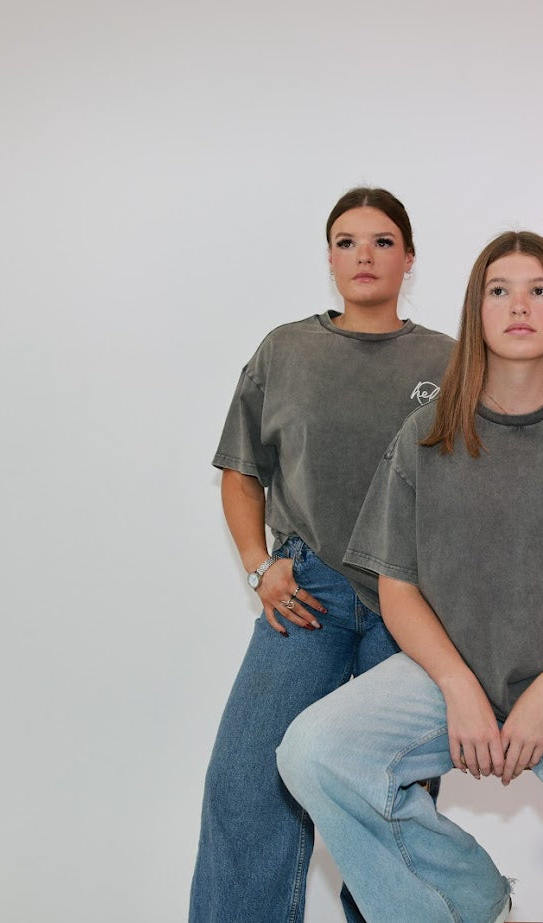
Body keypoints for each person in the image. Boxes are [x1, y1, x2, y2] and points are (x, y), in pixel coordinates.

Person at [277, 231, 543, 923]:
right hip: (448, 673)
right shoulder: (424, 435)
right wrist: (458, 684)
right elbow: (398, 587)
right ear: (477, 310)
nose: (518, 305)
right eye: (500, 290)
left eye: (538, 291)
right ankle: (467, 901)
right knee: (313, 752)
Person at [189, 187, 455, 923]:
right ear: (330, 258)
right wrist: (258, 564)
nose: (364, 255)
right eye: (346, 242)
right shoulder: (286, 350)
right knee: (245, 783)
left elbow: (478, 488)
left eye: (381, 241)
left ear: (408, 257)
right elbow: (240, 471)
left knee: (387, 801)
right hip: (307, 595)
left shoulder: (451, 360)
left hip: (413, 605)